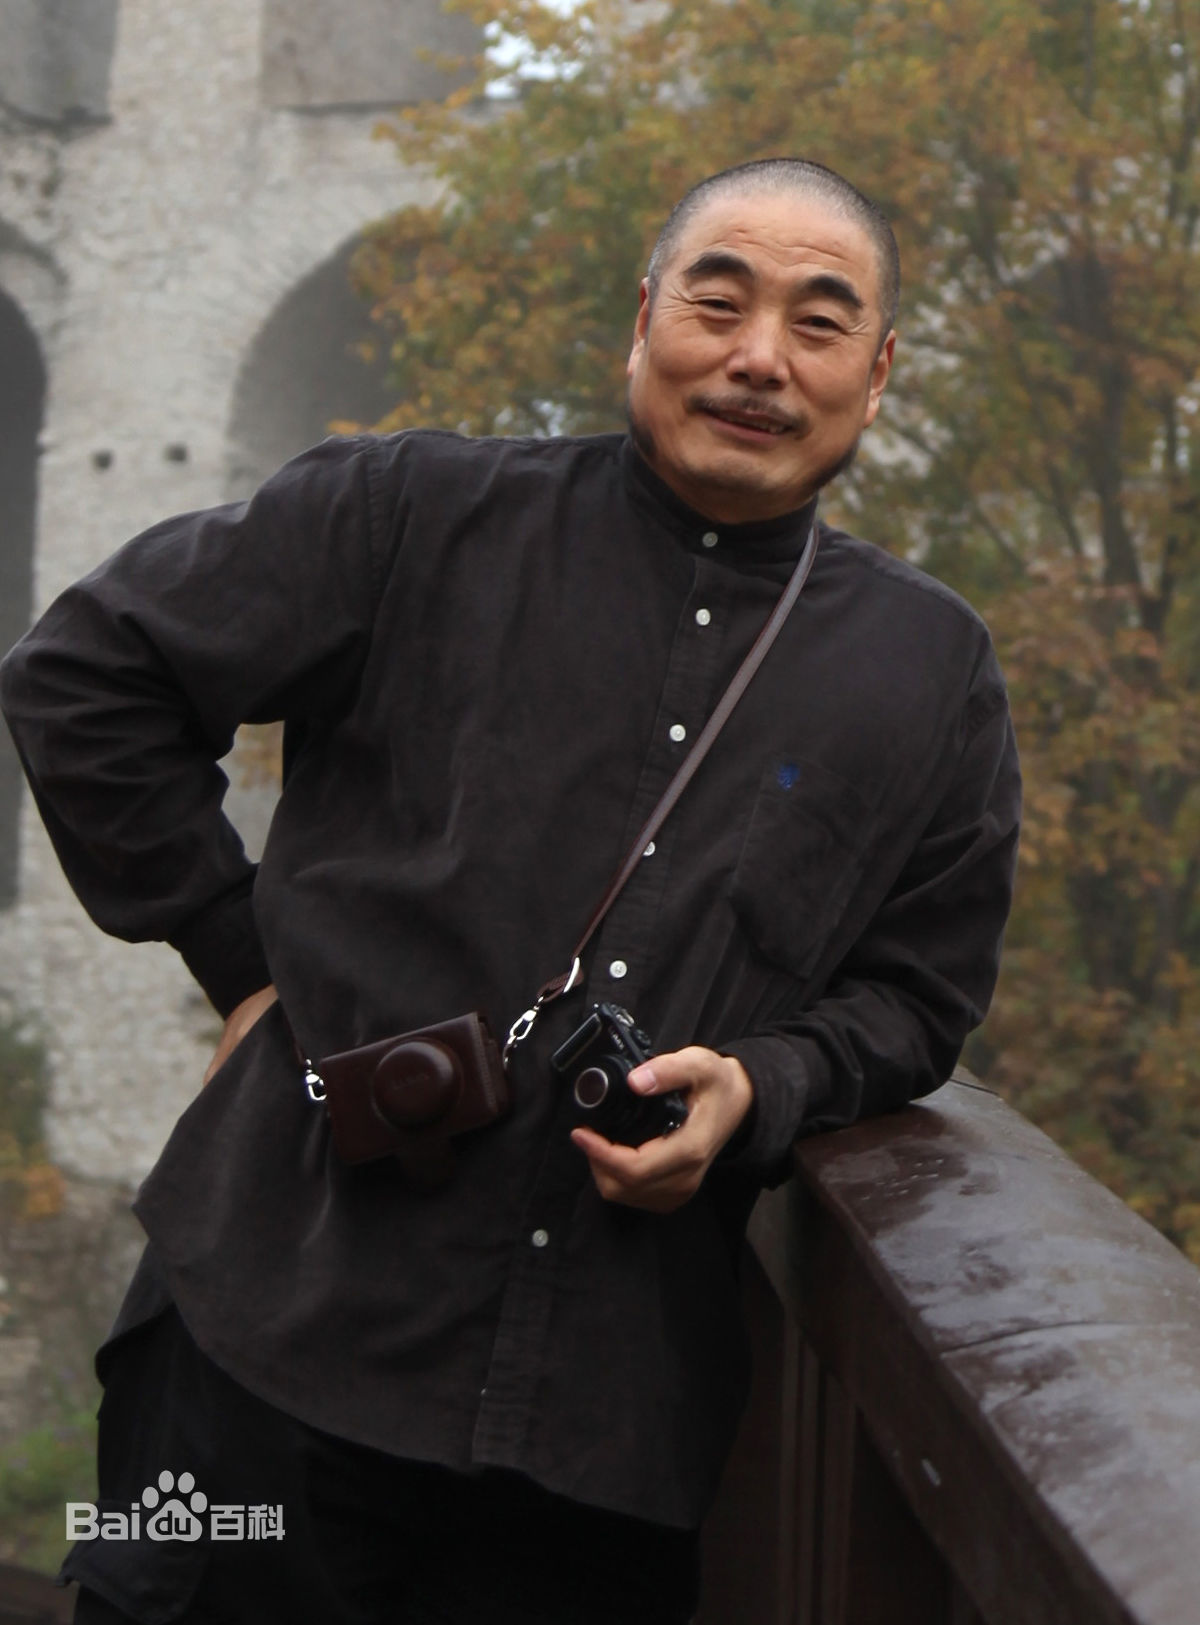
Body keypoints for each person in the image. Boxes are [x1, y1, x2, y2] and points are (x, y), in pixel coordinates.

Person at [0, 158, 1020, 1624]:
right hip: (259, 1347)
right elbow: (85, 676)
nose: (759, 358)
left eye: (817, 322)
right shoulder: (416, 512)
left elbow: (919, 996)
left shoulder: (930, 669)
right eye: (718, 301)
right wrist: (242, 960)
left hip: (593, 1448)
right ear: (643, 319)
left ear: (878, 370)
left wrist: (763, 1084)